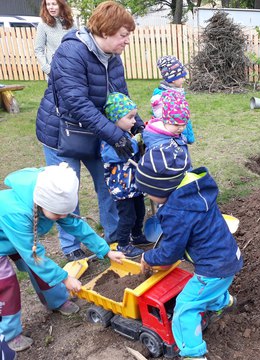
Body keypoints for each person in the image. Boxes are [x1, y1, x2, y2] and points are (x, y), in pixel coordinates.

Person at [35, 1, 144, 262]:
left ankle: (114, 239)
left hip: (96, 131)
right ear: (106, 32)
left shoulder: (113, 58)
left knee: (108, 185)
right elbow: (77, 103)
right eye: (123, 35)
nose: (127, 41)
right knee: (66, 191)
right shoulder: (71, 52)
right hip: (61, 133)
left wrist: (138, 124)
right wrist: (116, 135)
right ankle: (71, 244)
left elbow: (121, 95)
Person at [0, 163, 124, 352]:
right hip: (8, 236)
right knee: (6, 285)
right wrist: (65, 278)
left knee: (44, 270)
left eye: (65, 212)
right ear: (41, 204)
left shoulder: (54, 195)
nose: (63, 216)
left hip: (20, 237)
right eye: (58, 214)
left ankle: (56, 301)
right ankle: (9, 335)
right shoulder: (17, 212)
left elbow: (77, 226)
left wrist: (106, 251)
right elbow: (33, 255)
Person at [136, 148, 243, 360]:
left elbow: (170, 254)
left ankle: (193, 354)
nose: (147, 195)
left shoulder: (176, 213)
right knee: (208, 290)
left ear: (162, 188)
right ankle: (226, 302)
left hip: (214, 268)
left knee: (186, 307)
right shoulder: (195, 191)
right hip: (229, 256)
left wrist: (148, 257)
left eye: (148, 190)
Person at [101, 93, 149, 258]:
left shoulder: (126, 132)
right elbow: (114, 156)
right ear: (115, 119)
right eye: (130, 117)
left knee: (140, 211)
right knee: (127, 216)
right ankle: (123, 244)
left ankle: (136, 236)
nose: (134, 121)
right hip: (121, 187)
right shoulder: (110, 138)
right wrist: (135, 143)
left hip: (134, 185)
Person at [143, 89, 193, 170]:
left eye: (184, 125)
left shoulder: (174, 134)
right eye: (176, 124)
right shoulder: (159, 145)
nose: (181, 128)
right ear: (165, 120)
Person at [150, 55, 195, 144]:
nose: (184, 79)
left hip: (180, 134)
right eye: (182, 76)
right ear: (173, 79)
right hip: (172, 139)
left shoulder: (178, 93)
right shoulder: (163, 98)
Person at [34, 0, 76, 77]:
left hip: (72, 69)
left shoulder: (71, 23)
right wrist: (48, 69)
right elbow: (38, 50)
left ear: (61, 5)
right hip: (54, 71)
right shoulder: (43, 25)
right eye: (48, 4)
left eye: (54, 4)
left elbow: (77, 46)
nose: (51, 7)